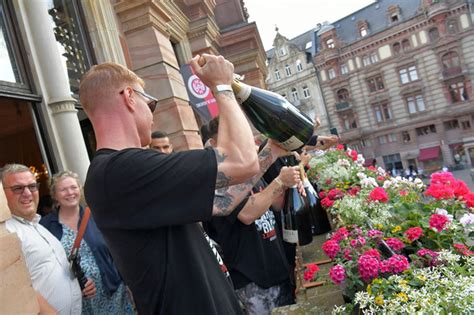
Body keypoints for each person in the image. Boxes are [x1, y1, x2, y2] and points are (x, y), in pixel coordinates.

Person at [80, 54, 259, 314]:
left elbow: (222, 200)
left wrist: (271, 153)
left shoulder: (120, 172)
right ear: (129, 97)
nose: (153, 117)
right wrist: (221, 85)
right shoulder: (121, 170)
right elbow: (242, 161)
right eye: (150, 104)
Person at [204, 118, 300, 314]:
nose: (240, 142)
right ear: (214, 144)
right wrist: (280, 181)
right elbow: (247, 213)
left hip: (276, 268)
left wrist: (288, 179)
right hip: (252, 280)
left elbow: (276, 204)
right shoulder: (217, 177)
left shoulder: (247, 169)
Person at [40, 171, 134, 314]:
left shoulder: (97, 216)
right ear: (54, 195)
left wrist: (129, 283)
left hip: (112, 292)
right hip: (77, 299)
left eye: (73, 187)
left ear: (80, 189)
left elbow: (117, 251)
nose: (70, 192)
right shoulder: (46, 226)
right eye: (63, 189)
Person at [2, 163, 82, 314]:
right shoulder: (7, 232)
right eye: (18, 188)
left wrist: (78, 282)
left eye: (32, 186)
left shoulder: (38, 225)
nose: (27, 193)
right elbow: (17, 287)